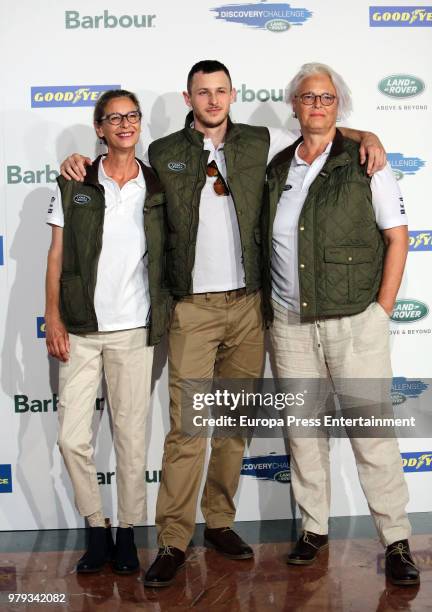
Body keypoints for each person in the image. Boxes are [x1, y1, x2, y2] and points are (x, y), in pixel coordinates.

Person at [59, 60, 386, 588]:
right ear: (188, 98)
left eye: (220, 90)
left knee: (234, 424)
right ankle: (171, 538)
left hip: (249, 306)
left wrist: (366, 133)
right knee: (188, 428)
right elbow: (118, 174)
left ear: (233, 93)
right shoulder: (163, 153)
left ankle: (221, 522)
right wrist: (79, 159)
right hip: (192, 308)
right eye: (202, 92)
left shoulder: (261, 140)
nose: (212, 100)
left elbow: (319, 128)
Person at [262, 62, 419, 586]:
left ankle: (396, 539)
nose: (317, 105)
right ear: (295, 105)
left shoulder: (367, 159)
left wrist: (382, 309)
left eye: (326, 97)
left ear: (339, 104)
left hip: (356, 322)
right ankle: (313, 529)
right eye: (308, 97)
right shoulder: (279, 163)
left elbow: (398, 237)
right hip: (290, 323)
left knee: (372, 435)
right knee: (303, 435)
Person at [45, 89, 168, 575]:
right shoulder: (74, 181)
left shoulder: (156, 185)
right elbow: (55, 256)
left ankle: (127, 532)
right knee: (72, 439)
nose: (124, 124)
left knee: (131, 438)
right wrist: (52, 317)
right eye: (113, 118)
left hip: (134, 330)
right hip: (79, 328)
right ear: (99, 129)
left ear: (139, 125)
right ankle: (96, 526)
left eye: (131, 116)